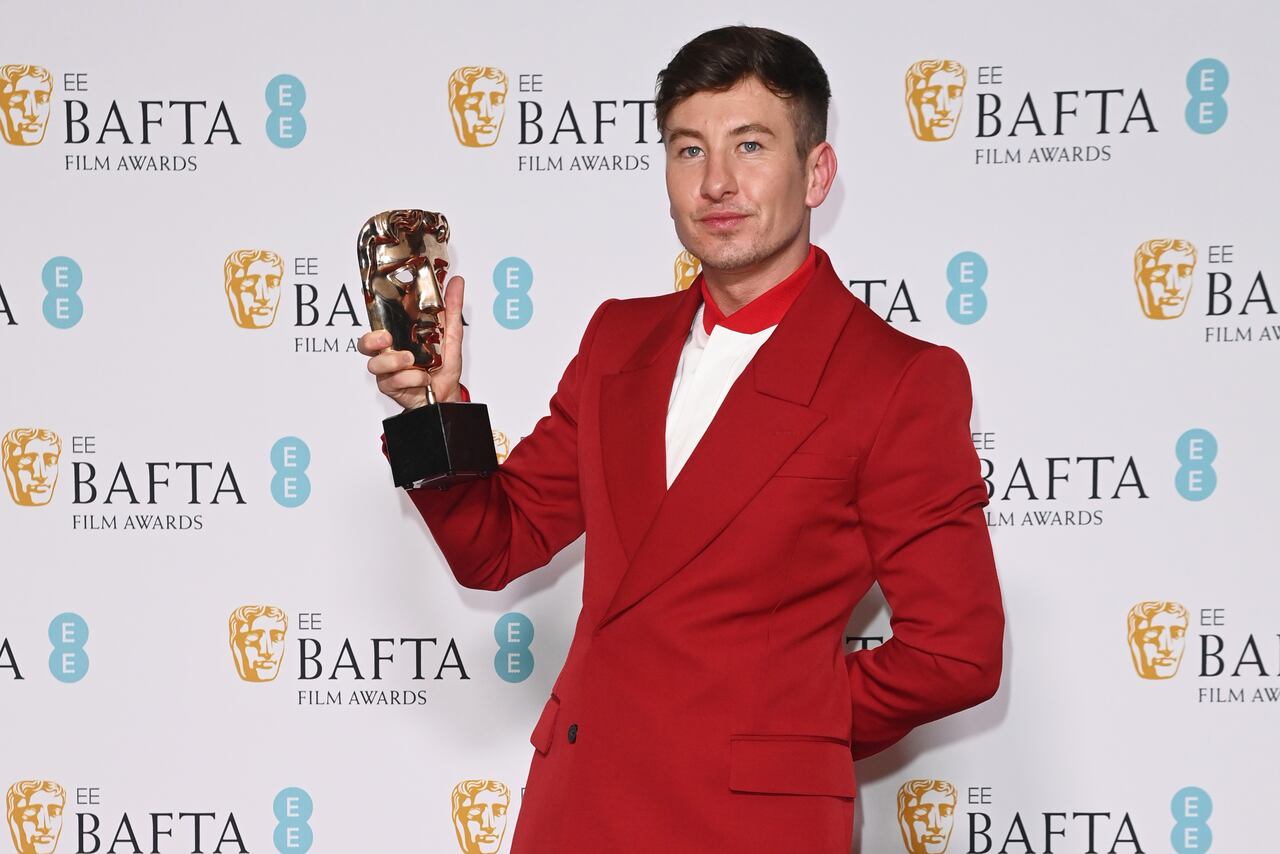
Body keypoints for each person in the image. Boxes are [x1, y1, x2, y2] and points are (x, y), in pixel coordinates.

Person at [359, 25, 1004, 853]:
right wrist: (430, 411)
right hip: (578, 813)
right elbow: (497, 546)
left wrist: (778, 732)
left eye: (751, 145)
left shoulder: (896, 379)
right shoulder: (616, 342)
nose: (719, 182)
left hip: (748, 824)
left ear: (817, 173)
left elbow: (958, 653)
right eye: (689, 150)